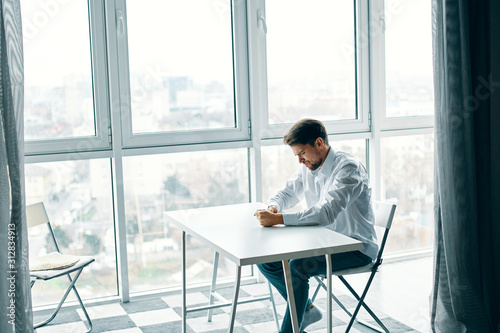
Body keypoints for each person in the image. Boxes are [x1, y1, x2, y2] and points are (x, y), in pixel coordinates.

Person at [254, 118, 378, 333]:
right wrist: (274, 206)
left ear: (319, 143)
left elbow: (325, 213)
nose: (300, 161)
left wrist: (279, 219)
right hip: (325, 241)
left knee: (297, 266)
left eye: (302, 153)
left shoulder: (348, 168)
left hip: (356, 247)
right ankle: (307, 309)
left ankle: (289, 329)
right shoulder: (310, 166)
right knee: (266, 261)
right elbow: (288, 193)